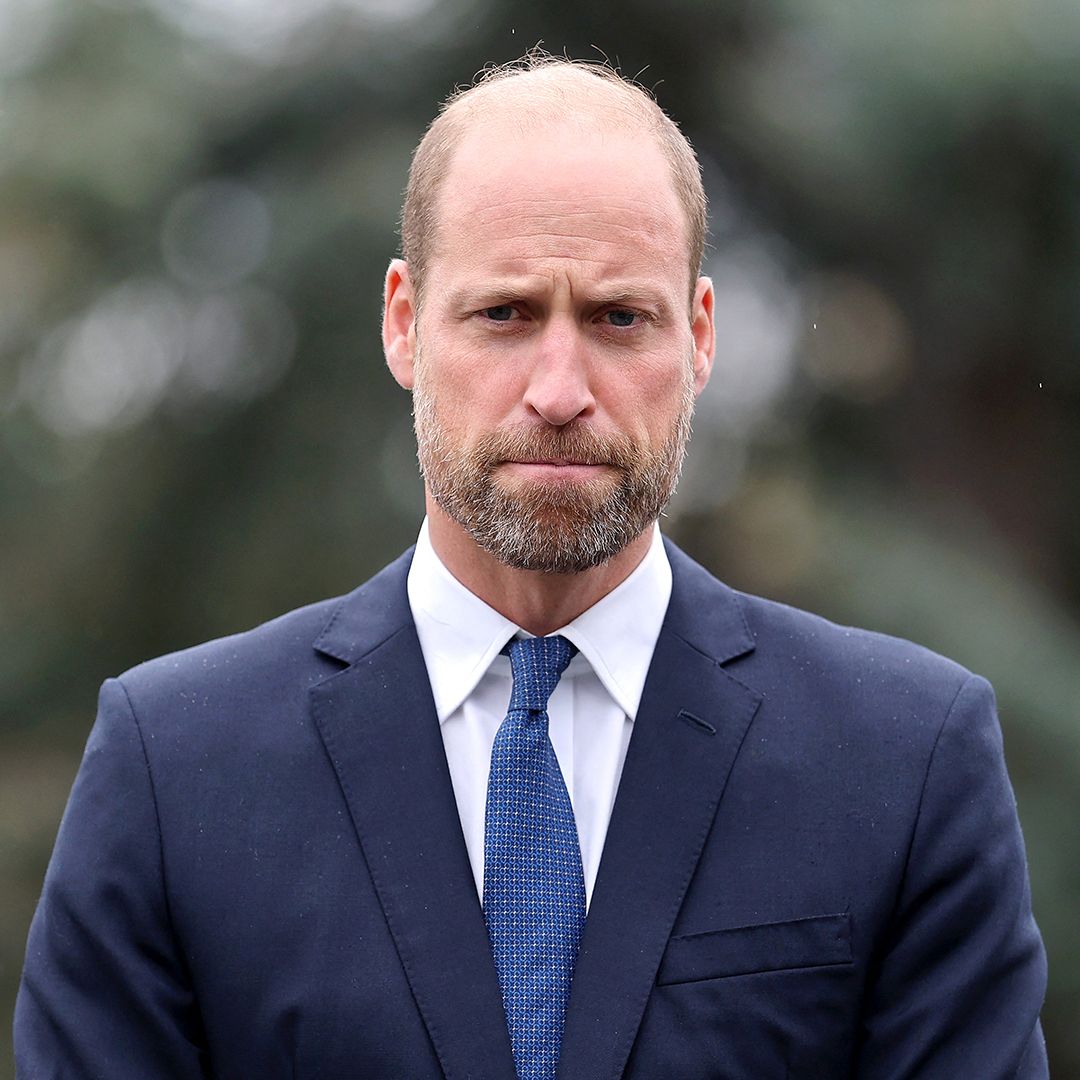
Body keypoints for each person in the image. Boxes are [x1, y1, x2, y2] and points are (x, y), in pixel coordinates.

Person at [16, 55, 1047, 1079]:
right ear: (404, 322)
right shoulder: (176, 770)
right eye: (505, 314)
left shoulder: (904, 763)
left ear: (698, 336)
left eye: (617, 318)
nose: (559, 390)